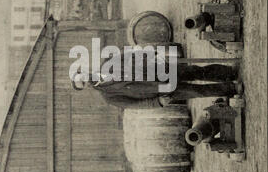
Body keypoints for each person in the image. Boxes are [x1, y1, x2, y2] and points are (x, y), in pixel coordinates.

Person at [70, 49, 241, 109]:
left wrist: (153, 54)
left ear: (85, 70)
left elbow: (132, 54)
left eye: (82, 75)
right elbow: (135, 105)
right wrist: (158, 103)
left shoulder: (108, 62)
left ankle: (228, 73)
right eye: (83, 82)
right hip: (160, 91)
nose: (86, 79)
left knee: (195, 71)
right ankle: (231, 88)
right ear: (86, 86)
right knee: (197, 91)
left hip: (159, 69)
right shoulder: (109, 96)